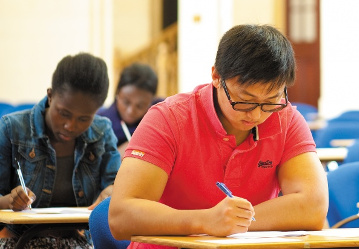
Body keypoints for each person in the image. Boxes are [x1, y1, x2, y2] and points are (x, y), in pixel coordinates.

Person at [108, 24, 328, 248]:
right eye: (244, 100)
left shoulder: (285, 118)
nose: (256, 114)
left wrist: (233, 223)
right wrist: (204, 221)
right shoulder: (168, 118)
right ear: (216, 76)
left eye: (270, 100)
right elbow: (121, 215)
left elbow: (313, 206)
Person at [0, 52, 120, 248]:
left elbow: (117, 185)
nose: (70, 125)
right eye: (64, 113)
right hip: (19, 241)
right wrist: (9, 200)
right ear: (50, 95)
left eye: (84, 119)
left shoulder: (102, 131)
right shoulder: (11, 128)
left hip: (80, 241)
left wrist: (111, 192)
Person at [98, 63, 161, 157]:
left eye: (140, 106)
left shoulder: (161, 114)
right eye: (126, 102)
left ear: (151, 101)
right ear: (117, 93)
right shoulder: (101, 122)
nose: (130, 111)